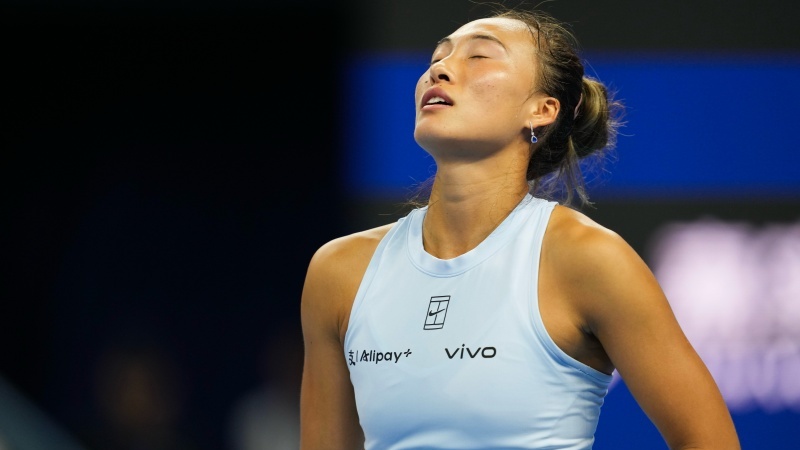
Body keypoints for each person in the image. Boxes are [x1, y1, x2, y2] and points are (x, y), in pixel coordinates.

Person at [300, 5, 741, 450]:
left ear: (541, 110)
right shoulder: (339, 271)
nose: (440, 69)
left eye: (479, 56)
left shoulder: (588, 258)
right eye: (437, 57)